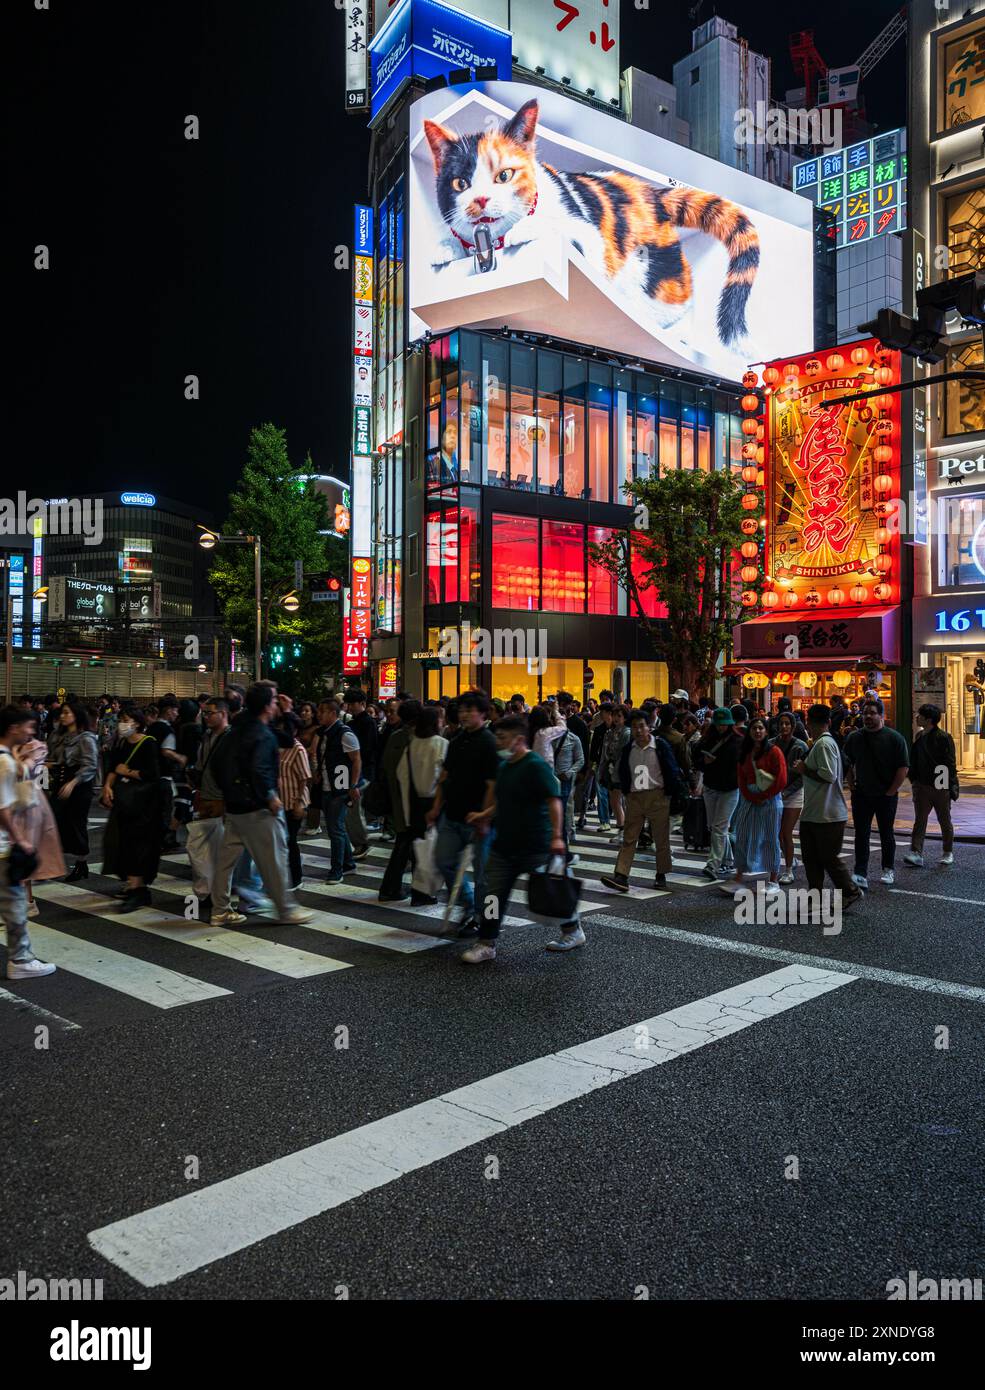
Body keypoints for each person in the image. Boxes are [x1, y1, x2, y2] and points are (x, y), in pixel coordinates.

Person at [462, 715, 585, 964]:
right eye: (497, 736)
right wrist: (483, 817)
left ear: (518, 740)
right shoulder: (505, 766)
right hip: (504, 845)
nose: (498, 741)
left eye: (503, 737)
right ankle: (486, 941)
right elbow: (502, 802)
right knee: (493, 896)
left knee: (552, 891)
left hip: (536, 844)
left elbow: (554, 801)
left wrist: (558, 837)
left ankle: (573, 931)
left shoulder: (534, 765)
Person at [208, 683, 313, 925]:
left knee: (225, 863)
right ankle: (286, 909)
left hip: (235, 808)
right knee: (274, 860)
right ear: (267, 705)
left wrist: (229, 791)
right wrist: (269, 795)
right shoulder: (261, 734)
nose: (277, 703)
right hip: (258, 809)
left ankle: (220, 909)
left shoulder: (236, 730)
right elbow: (260, 767)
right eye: (275, 700)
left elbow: (285, 739)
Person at [428, 691, 499, 937]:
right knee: (443, 860)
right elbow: (445, 777)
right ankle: (469, 906)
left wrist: (484, 816)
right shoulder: (456, 740)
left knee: (483, 876)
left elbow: (492, 784)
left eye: (471, 710)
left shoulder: (489, 742)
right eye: (462, 710)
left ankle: (483, 918)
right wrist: (436, 807)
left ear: (482, 713)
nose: (465, 714)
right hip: (453, 815)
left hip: (479, 820)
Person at [0, 705, 57, 979]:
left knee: (12, 902)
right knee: (15, 903)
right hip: (2, 845)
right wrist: (20, 839)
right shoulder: (5, 761)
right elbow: (3, 808)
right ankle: (21, 960)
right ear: (13, 728)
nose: (31, 731)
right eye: (27, 726)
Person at [789, 704, 863, 913]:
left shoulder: (824, 744)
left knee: (828, 858)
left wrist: (804, 769)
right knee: (812, 860)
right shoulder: (822, 743)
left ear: (808, 722)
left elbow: (828, 776)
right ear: (829, 722)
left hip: (828, 813)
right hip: (815, 811)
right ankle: (815, 899)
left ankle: (850, 891)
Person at [601, 710, 683, 892]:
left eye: (641, 726)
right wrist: (627, 792)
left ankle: (661, 874)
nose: (638, 731)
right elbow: (624, 772)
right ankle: (621, 875)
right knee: (629, 838)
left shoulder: (660, 746)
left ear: (648, 727)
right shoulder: (629, 749)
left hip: (658, 795)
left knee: (661, 839)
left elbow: (671, 770)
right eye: (634, 727)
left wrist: (670, 794)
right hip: (635, 797)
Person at [100, 709, 167, 912]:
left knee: (139, 844)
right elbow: (113, 767)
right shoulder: (121, 744)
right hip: (124, 803)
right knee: (120, 842)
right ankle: (132, 884)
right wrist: (107, 787)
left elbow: (153, 774)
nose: (122, 725)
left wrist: (127, 772)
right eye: (121, 721)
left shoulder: (148, 743)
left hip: (144, 806)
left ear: (137, 723)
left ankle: (138, 889)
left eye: (126, 720)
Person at [842, 696, 909, 889]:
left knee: (886, 832)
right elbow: (848, 763)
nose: (868, 717)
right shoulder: (855, 737)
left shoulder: (894, 738)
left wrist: (891, 792)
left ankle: (888, 868)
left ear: (881, 716)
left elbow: (903, 768)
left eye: (872, 713)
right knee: (861, 834)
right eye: (865, 713)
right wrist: (852, 786)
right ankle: (860, 872)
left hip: (885, 795)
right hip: (862, 794)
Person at [720, 714, 786, 899]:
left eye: (761, 728)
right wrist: (750, 796)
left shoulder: (774, 751)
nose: (757, 731)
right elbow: (741, 777)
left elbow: (781, 779)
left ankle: (773, 880)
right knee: (742, 836)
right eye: (754, 728)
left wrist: (763, 796)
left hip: (770, 800)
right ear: (749, 731)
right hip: (748, 798)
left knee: (770, 838)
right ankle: (739, 877)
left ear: (766, 731)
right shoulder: (746, 752)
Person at [396, 704, 446, 905]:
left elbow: (402, 774)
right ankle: (428, 889)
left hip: (415, 801)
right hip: (435, 801)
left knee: (420, 847)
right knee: (435, 848)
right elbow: (445, 776)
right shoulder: (441, 744)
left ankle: (419, 892)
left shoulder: (412, 745)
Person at [185, 697, 231, 913]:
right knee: (202, 850)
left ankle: (220, 895)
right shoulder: (207, 736)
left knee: (222, 851)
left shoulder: (231, 737)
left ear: (223, 714)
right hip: (206, 797)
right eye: (204, 713)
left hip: (223, 800)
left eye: (210, 713)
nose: (206, 717)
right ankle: (208, 891)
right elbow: (201, 765)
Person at [46, 700, 99, 881]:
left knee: (77, 824)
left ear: (76, 715)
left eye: (67, 712)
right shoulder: (56, 736)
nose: (63, 716)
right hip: (60, 783)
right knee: (53, 821)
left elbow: (90, 765)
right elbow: (53, 759)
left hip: (79, 786)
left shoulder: (86, 737)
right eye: (62, 713)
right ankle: (51, 863)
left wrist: (73, 782)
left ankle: (81, 863)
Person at [378, 700, 422, 901]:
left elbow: (386, 766)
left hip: (397, 798)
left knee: (407, 844)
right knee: (413, 845)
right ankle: (417, 891)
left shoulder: (395, 736)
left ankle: (398, 888)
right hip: (415, 800)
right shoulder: (419, 738)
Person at [904, 704, 956, 869]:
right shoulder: (919, 736)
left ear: (929, 719)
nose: (917, 718)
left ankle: (948, 851)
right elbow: (914, 760)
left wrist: (948, 786)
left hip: (939, 785)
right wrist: (914, 781)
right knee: (920, 820)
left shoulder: (943, 737)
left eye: (920, 716)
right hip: (922, 785)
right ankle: (916, 853)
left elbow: (949, 763)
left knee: (944, 820)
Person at [314, 698, 360, 884]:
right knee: (337, 829)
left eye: (322, 711)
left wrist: (353, 785)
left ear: (333, 713)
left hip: (339, 789)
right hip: (327, 786)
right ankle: (348, 864)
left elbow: (356, 759)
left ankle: (337, 870)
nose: (319, 715)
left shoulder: (344, 734)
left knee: (335, 830)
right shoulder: (326, 733)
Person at [693, 708, 741, 880]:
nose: (721, 727)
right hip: (711, 787)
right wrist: (704, 762)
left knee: (719, 827)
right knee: (713, 827)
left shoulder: (738, 741)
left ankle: (713, 864)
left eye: (724, 724)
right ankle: (727, 859)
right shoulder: (707, 739)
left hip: (730, 789)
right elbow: (696, 759)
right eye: (719, 724)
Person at [771, 711, 809, 884]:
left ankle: (788, 871)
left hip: (793, 793)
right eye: (782, 723)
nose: (784, 727)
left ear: (793, 727)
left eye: (787, 724)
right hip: (775, 792)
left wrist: (785, 792)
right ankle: (790, 859)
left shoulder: (800, 746)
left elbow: (802, 776)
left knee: (786, 832)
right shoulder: (772, 744)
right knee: (778, 833)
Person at [278, 711, 312, 889]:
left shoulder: (298, 749)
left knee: (290, 840)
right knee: (282, 840)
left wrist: (299, 803)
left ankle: (296, 878)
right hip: (279, 802)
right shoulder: (278, 747)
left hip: (293, 801)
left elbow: (304, 778)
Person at [342, 689, 377, 860]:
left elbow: (367, 749)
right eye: (348, 704)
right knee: (353, 809)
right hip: (358, 771)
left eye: (352, 704)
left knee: (353, 809)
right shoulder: (353, 721)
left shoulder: (367, 722)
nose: (349, 707)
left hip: (363, 772)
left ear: (362, 704)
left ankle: (361, 843)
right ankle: (360, 843)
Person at [601, 703, 630, 838]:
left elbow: (622, 755)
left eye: (619, 716)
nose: (616, 718)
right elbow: (606, 752)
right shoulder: (610, 732)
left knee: (617, 800)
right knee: (615, 800)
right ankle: (622, 828)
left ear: (625, 717)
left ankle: (623, 829)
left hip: (620, 770)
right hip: (610, 768)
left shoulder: (626, 732)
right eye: (614, 715)